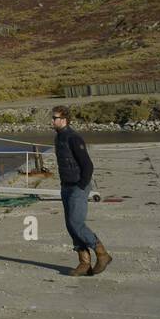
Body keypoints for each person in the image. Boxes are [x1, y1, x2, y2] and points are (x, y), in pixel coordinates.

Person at [51, 106, 112, 276]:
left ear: (64, 119)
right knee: (71, 226)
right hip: (66, 186)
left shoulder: (73, 137)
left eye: (55, 118)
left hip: (78, 186)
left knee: (76, 223)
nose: (52, 121)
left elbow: (87, 165)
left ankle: (102, 253)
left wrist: (81, 185)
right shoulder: (59, 137)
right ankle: (84, 263)